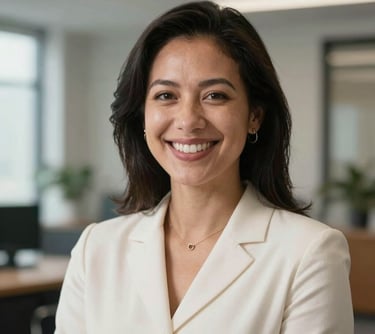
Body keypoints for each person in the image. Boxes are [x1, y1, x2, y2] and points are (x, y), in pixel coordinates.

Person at [55, 1, 353, 333]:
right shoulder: (96, 248)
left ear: (254, 115)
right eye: (166, 95)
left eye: (214, 96)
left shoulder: (309, 252)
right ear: (141, 114)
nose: (188, 121)